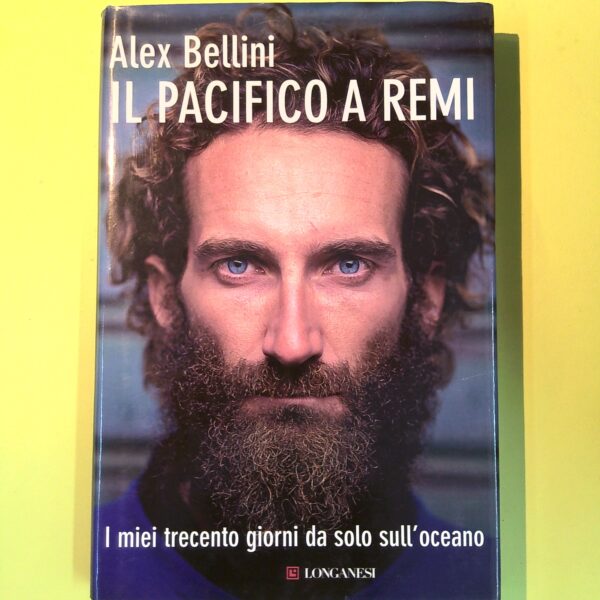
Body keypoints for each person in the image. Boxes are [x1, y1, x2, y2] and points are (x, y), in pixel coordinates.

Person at [94, 6, 496, 599]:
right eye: (238, 265)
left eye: (349, 265)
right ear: (164, 297)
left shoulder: (491, 583)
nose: (291, 343)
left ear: (427, 298)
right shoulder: (68, 576)